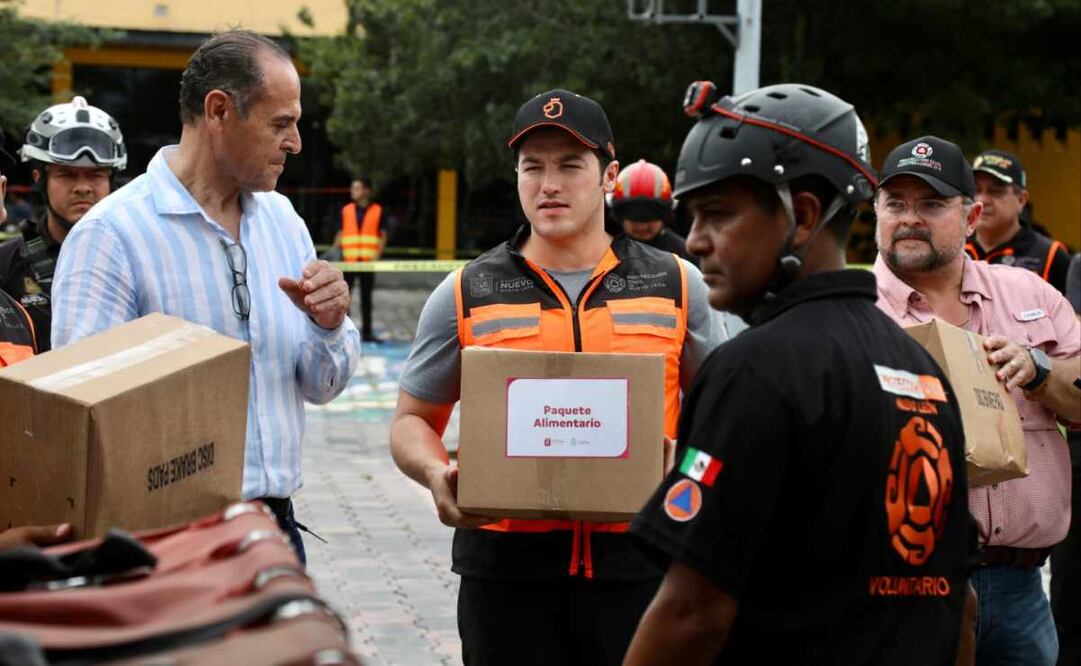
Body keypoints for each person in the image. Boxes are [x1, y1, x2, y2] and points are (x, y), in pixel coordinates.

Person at [624, 83, 974, 666]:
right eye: (691, 217)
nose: (695, 241)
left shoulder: (753, 370)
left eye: (718, 214)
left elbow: (692, 614)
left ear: (803, 215)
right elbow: (959, 607)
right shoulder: (924, 372)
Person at [389, 88, 724, 665]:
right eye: (532, 167)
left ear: (608, 175)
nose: (549, 184)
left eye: (570, 165)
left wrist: (686, 469)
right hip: (504, 578)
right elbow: (413, 420)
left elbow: (724, 420)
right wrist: (434, 474)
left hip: (643, 570)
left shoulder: (677, 283)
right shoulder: (467, 290)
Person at [49, 29, 361, 565]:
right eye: (280, 124)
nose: (296, 144)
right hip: (164, 546)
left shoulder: (284, 223)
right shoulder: (114, 236)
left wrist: (329, 325)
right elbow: (78, 426)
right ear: (219, 111)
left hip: (275, 532)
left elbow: (321, 386)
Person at [871, 135, 1081, 666]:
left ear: (972, 217)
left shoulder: (1030, 294)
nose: (910, 218)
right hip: (900, 589)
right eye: (896, 203)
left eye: (932, 204)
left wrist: (1038, 369)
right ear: (875, 211)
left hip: (1022, 590)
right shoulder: (854, 310)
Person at [0, 96, 127, 354]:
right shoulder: (6, 263)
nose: (83, 187)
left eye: (96, 175)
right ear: (38, 178)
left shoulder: (136, 258)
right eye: (66, 174)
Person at [965, 149, 1071, 295]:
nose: (982, 200)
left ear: (1021, 200)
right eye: (976, 191)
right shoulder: (954, 248)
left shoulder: (1049, 255)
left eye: (995, 191)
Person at [610, 159, 695, 264]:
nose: (642, 226)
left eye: (650, 216)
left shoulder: (687, 256)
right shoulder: (603, 253)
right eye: (634, 216)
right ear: (619, 215)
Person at [335, 176, 385, 342]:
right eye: (352, 188)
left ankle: (367, 333)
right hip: (348, 262)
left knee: (366, 300)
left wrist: (377, 255)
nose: (353, 191)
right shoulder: (346, 210)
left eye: (356, 188)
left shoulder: (377, 210)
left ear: (366, 191)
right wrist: (335, 252)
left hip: (367, 262)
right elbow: (341, 233)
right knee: (344, 299)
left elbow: (383, 234)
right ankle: (343, 332)